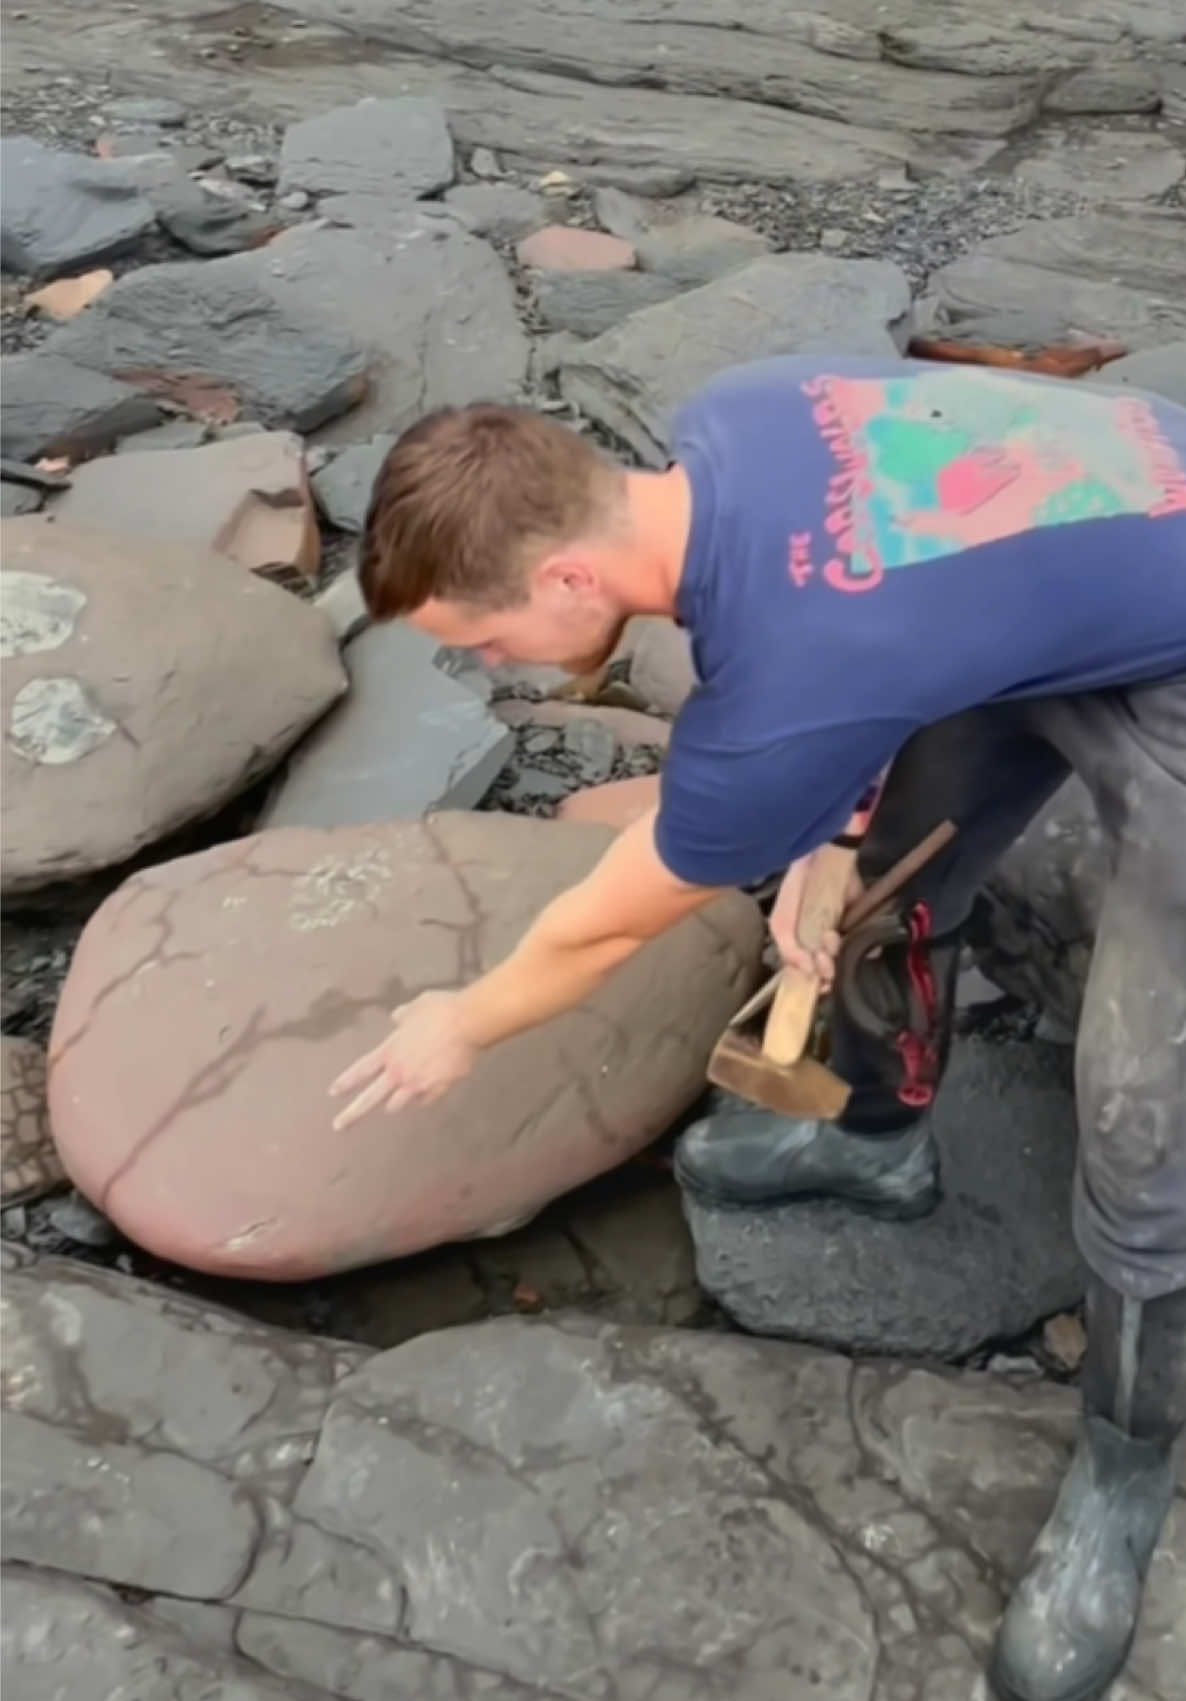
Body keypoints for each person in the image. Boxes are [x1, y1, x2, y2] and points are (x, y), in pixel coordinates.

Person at [329, 355, 1186, 1701]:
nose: (482, 664)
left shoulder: (789, 679)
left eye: (478, 641)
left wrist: (462, 1018)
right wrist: (829, 823)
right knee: (893, 873)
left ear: (564, 579)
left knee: (1144, 1132)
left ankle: (1123, 1483)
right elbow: (899, 563)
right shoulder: (731, 413)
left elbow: (605, 923)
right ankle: (882, 1141)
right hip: (1072, 571)